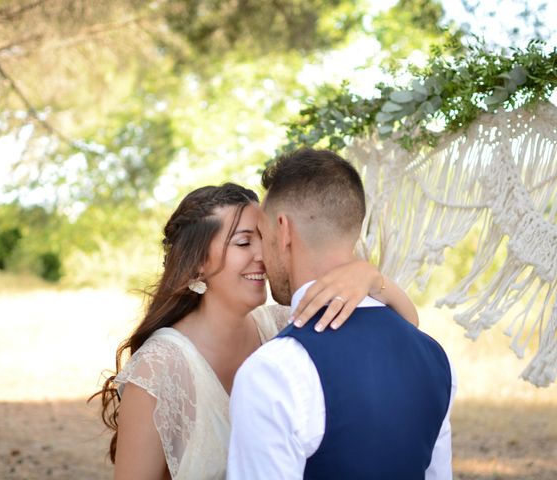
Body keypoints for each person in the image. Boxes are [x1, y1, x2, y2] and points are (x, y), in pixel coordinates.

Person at [93, 182, 420, 480]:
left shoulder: (282, 323)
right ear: (197, 263)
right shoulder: (159, 367)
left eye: (263, 239)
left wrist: (368, 277)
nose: (262, 256)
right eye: (244, 242)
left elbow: (406, 328)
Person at [227, 149, 457, 479]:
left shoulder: (274, 372)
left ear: (284, 230)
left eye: (261, 235)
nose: (260, 254)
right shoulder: (436, 358)